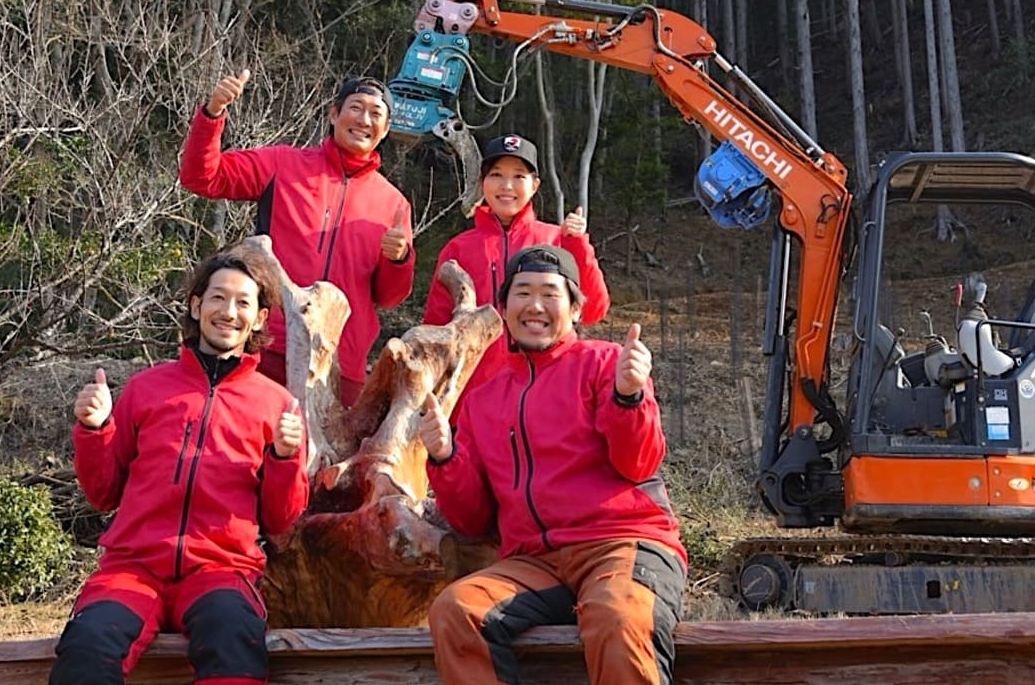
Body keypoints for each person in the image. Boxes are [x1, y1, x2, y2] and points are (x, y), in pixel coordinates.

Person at [419, 245, 686, 685]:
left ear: (576, 308)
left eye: (550, 293)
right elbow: (472, 519)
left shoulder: (604, 364)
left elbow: (638, 463)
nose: (535, 306)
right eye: (522, 293)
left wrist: (628, 396)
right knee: (455, 610)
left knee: (616, 615)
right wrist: (445, 457)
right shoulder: (483, 399)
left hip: (621, 544)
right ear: (503, 308)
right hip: (535, 562)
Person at [49, 246, 309, 685]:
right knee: (86, 648)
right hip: (133, 567)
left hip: (221, 570)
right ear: (196, 305)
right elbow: (103, 493)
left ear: (261, 318)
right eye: (217, 298)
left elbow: (281, 519)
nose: (229, 312)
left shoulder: (276, 403)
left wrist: (284, 458)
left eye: (243, 302)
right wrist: (94, 430)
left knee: (234, 648)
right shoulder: (146, 388)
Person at [179, 70, 414, 406]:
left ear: (386, 129)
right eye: (356, 108)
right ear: (333, 114)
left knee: (325, 459)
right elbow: (202, 177)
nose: (364, 120)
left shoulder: (394, 204)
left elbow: (389, 296)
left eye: (376, 114)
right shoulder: (283, 164)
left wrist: (399, 260)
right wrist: (213, 113)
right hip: (266, 346)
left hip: (340, 365)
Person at [420, 134, 609, 401]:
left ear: (535, 185)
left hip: (548, 395)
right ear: (482, 183)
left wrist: (577, 246)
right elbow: (435, 327)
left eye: (519, 176)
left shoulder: (556, 240)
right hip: (473, 398)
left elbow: (593, 309)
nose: (506, 185)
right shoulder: (458, 250)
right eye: (496, 174)